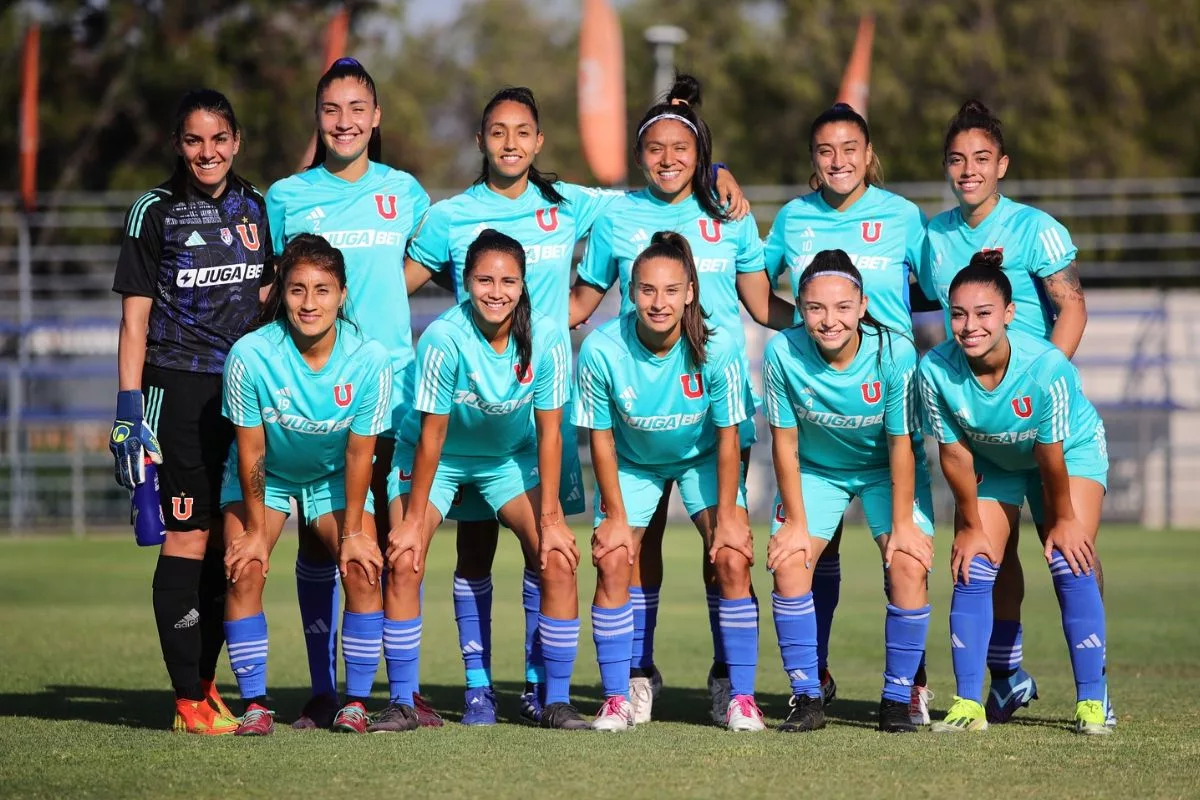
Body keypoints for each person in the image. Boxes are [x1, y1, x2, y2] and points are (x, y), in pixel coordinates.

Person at [404, 85, 750, 725]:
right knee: (475, 549)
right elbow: (388, 288)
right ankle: (481, 683)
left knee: (555, 548)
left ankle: (544, 685)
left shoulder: (573, 205)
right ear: (481, 141)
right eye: (498, 132)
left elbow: (660, 176)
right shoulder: (451, 215)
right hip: (474, 406)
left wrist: (715, 168)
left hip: (550, 404)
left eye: (523, 132)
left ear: (539, 142)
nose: (510, 144)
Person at [569, 74, 792, 725]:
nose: (668, 160)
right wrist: (519, 330)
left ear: (701, 155)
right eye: (655, 149)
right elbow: (583, 304)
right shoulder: (616, 216)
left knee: (727, 545)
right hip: (639, 409)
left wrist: (828, 325)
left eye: (683, 149)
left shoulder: (730, 215)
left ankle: (730, 677)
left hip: (711, 415)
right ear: (640, 156)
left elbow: (759, 307)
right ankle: (637, 673)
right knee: (633, 549)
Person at [265, 57, 438, 728]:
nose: (345, 121)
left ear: (376, 118)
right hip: (312, 398)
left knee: (399, 540)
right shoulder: (286, 196)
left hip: (391, 391)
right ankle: (322, 688)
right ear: (319, 117)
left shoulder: (407, 192)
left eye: (356, 109)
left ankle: (404, 690)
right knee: (321, 541)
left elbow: (428, 264)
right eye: (332, 109)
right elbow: (274, 285)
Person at [917, 101, 1099, 726]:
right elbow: (908, 299)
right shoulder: (934, 237)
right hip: (983, 428)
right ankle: (1006, 678)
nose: (969, 170)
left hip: (1040, 415)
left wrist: (1044, 377)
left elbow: (1071, 307)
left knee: (1069, 551)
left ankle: (1096, 694)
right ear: (947, 166)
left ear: (1003, 166)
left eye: (982, 159)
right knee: (989, 559)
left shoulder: (1036, 228)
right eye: (957, 159)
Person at [371, 229, 590, 732]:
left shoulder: (549, 336)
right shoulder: (445, 338)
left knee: (557, 557)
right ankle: (405, 701)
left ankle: (551, 699)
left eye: (508, 280)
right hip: (437, 458)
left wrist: (552, 520)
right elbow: (431, 435)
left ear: (523, 283)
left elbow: (551, 432)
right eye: (484, 280)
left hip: (506, 460)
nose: (496, 291)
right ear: (465, 283)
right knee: (403, 558)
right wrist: (410, 524)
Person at [763, 102, 936, 723]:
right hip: (820, 458)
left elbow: (942, 286)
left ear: (869, 155)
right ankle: (808, 691)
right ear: (813, 160)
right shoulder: (791, 221)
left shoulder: (904, 217)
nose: (837, 161)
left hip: (887, 425)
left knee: (909, 559)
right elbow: (756, 285)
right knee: (793, 558)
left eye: (849, 149)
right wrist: (811, 327)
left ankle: (905, 692)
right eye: (824, 151)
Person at [110, 88, 271, 734]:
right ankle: (185, 699)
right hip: (175, 389)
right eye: (194, 140)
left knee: (229, 545)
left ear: (236, 141)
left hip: (243, 395)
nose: (208, 152)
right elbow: (134, 321)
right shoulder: (154, 210)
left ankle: (206, 689)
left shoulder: (256, 206)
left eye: (219, 139)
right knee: (186, 535)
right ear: (179, 145)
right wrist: (127, 406)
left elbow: (266, 294)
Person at [576, 231, 763, 732]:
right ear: (631, 291)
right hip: (634, 463)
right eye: (647, 291)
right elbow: (600, 440)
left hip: (703, 457)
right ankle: (621, 692)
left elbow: (728, 438)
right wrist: (614, 518)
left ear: (690, 293)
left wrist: (727, 517)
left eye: (670, 291)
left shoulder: (719, 345)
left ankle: (738, 693)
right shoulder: (601, 348)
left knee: (731, 554)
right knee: (615, 556)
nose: (659, 303)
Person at [219, 234, 392, 735]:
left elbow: (361, 453)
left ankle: (355, 702)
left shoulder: (370, 359)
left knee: (362, 567)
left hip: (334, 477)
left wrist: (356, 531)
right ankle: (254, 703)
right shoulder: (250, 355)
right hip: (265, 478)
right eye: (297, 290)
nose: (309, 302)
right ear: (281, 294)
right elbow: (251, 452)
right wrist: (254, 531)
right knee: (244, 567)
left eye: (322, 289)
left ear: (341, 294)